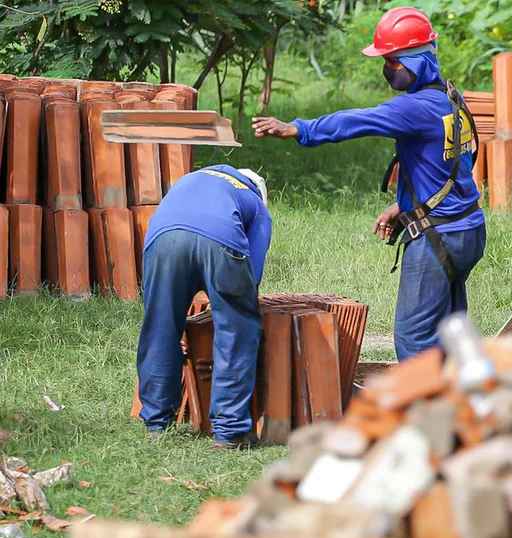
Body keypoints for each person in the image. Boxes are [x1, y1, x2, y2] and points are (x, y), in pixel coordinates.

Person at [251, 6, 485, 362]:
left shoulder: (413, 109)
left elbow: (358, 120)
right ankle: (465, 407)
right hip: (468, 229)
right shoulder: (451, 98)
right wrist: (405, 205)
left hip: (439, 239)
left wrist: (299, 128)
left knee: (414, 339)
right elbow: (456, 163)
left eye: (392, 61)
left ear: (416, 61)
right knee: (450, 333)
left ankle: (428, 415)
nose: (387, 68)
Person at [136, 165, 272, 451]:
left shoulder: (190, 179)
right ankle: (229, 430)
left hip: (163, 239)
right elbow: (253, 275)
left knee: (160, 326)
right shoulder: (256, 203)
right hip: (220, 239)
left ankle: (157, 424)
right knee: (238, 328)